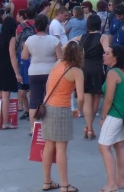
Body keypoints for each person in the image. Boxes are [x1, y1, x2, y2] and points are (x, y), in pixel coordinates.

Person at [41, 41, 85, 192]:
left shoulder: (58, 64)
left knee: (48, 146)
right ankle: (65, 185)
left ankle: (47, 181)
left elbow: (48, 85)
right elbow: (80, 97)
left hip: (48, 106)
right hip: (61, 108)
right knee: (61, 149)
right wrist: (79, 109)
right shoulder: (76, 71)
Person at [98, 45, 124, 192]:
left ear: (115, 57)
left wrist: (102, 116)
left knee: (104, 147)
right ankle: (120, 180)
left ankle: (111, 184)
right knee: (119, 146)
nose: (104, 55)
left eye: (107, 53)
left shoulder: (112, 73)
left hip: (114, 114)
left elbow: (108, 98)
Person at [22, 14, 62, 135]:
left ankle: (33, 128)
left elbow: (24, 56)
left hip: (34, 71)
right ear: (47, 26)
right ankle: (51, 127)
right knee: (50, 99)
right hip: (50, 72)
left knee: (34, 100)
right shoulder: (54, 40)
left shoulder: (29, 40)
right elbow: (60, 58)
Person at [76, 14, 106, 141]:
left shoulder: (81, 37)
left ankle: (88, 128)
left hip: (85, 67)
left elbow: (67, 44)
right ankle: (89, 128)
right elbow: (107, 50)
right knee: (96, 99)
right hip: (98, 68)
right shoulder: (102, 37)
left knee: (87, 100)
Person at [0, 17, 22, 129]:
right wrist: (17, 73)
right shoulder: (11, 38)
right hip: (7, 66)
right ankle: (6, 122)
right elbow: (12, 56)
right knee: (5, 95)